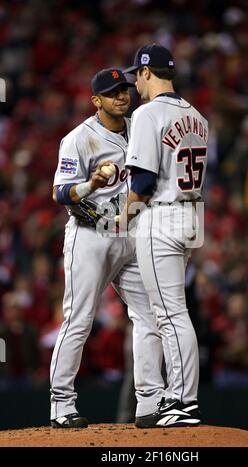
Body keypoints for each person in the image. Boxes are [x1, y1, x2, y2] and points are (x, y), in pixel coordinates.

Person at [50, 68, 166, 428]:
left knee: (149, 315)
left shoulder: (140, 128)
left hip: (131, 234)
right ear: (95, 100)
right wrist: (89, 184)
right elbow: (60, 193)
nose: (121, 95)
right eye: (112, 92)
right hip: (91, 236)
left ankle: (151, 402)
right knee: (79, 319)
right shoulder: (79, 138)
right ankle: (61, 405)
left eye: (124, 89)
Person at [118, 43, 209, 428]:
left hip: (162, 217)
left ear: (146, 72)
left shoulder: (147, 114)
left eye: (135, 75)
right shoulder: (197, 116)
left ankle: (182, 401)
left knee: (169, 314)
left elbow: (142, 181)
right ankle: (179, 397)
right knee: (173, 312)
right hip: (191, 216)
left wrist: (121, 220)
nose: (133, 83)